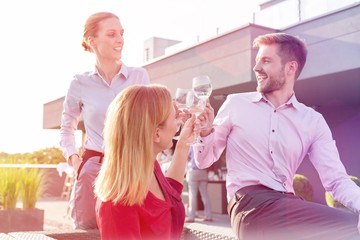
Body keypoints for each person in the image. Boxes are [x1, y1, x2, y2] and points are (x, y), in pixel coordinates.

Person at [194, 32, 360, 239]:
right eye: (256, 61)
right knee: (350, 227)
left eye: (265, 61)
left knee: (353, 226)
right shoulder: (235, 104)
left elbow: (336, 180)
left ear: (291, 68)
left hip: (288, 205)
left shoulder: (313, 121)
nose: (256, 68)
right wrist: (204, 132)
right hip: (249, 205)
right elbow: (203, 161)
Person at [59, 12, 150, 229]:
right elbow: (66, 127)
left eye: (121, 33)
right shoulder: (79, 83)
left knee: (132, 231)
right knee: (86, 231)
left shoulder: (140, 77)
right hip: (92, 169)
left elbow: (152, 121)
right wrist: (75, 160)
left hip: (132, 169)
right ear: (92, 41)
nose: (120, 39)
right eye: (111, 34)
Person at [94, 84, 199, 239]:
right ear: (156, 134)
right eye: (174, 118)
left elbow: (171, 193)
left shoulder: (150, 168)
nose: (178, 124)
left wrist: (183, 143)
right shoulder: (118, 203)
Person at [185, 146, 212, 223]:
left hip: (193, 171)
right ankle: (208, 215)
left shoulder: (192, 145)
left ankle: (191, 216)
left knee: (192, 195)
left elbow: (187, 157)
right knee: (205, 194)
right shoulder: (205, 145)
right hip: (203, 171)